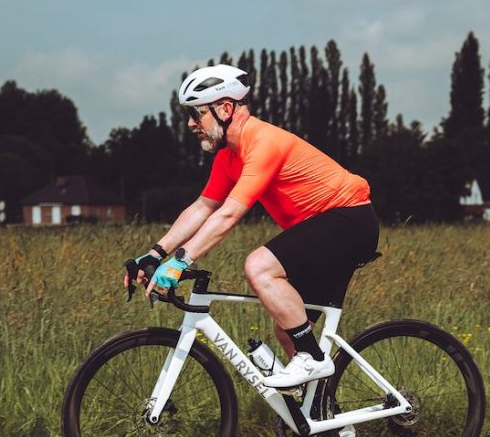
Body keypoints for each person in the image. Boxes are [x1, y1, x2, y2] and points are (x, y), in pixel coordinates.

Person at [125, 64, 379, 389]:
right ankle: (322, 425)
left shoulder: (263, 142)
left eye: (196, 114)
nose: (190, 124)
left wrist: (180, 261)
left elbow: (229, 214)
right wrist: (154, 254)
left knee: (259, 267)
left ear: (225, 109)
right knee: (287, 329)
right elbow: (204, 207)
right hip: (324, 228)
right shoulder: (227, 157)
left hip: (349, 219)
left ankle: (312, 359)